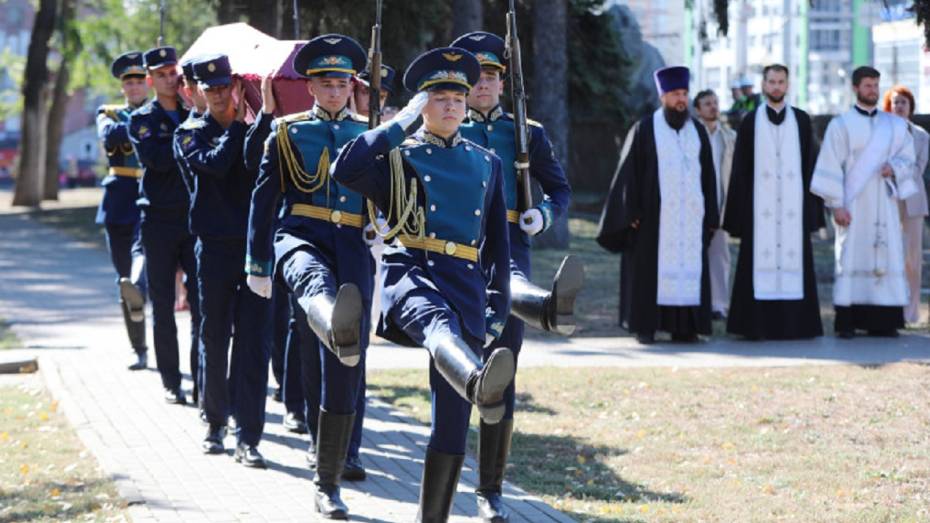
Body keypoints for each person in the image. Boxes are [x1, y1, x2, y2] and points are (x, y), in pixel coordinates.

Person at [333, 47, 516, 522]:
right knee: (438, 328)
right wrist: (398, 123)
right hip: (412, 274)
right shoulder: (398, 157)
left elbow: (498, 246)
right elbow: (345, 169)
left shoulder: (486, 163)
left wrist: (497, 308)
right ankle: (477, 377)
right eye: (439, 96)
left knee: (452, 425)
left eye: (458, 97)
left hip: (466, 285)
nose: (452, 105)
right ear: (422, 104)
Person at [451, 30, 580, 522]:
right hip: (459, 251)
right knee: (462, 362)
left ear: (503, 84)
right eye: (477, 76)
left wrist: (541, 216)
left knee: (502, 367)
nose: (484, 85)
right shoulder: (446, 126)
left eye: (492, 76)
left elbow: (559, 190)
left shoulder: (527, 131)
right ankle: (449, 463)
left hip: (510, 246)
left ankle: (490, 488)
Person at [244, 34, 372, 519]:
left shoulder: (369, 133)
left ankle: (345, 450)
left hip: (355, 249)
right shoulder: (287, 132)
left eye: (342, 83)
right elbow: (263, 200)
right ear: (312, 87)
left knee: (348, 350)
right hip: (301, 239)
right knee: (318, 324)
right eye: (325, 83)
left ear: (350, 86)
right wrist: (258, 264)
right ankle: (325, 454)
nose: (335, 91)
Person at [173, 54, 273, 467]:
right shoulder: (187, 134)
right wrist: (238, 126)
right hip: (212, 250)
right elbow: (214, 165)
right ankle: (215, 422)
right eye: (208, 88)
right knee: (214, 338)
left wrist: (263, 112)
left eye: (222, 86)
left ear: (234, 87)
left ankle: (248, 436)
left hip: (252, 251)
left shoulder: (251, 130)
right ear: (197, 90)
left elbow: (258, 161)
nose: (216, 94)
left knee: (253, 344)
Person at [596, 66, 718, 344]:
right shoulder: (645, 129)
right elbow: (628, 175)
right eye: (675, 94)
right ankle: (646, 326)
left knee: (689, 271)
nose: (681, 100)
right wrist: (632, 214)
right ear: (663, 96)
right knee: (650, 274)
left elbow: (708, 177)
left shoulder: (697, 131)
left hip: (690, 219)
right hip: (653, 220)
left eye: (685, 94)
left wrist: (711, 216)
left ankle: (685, 327)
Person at [811, 66, 918, 338]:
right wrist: (836, 205)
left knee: (886, 255)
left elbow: (909, 159)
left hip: (884, 201)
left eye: (875, 85)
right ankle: (848, 321)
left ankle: (884, 321)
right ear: (856, 88)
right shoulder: (841, 125)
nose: (873, 90)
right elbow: (830, 166)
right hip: (854, 205)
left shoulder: (894, 125)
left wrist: (893, 167)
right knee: (850, 257)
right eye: (867, 85)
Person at [723, 64, 824, 340]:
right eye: (772, 82)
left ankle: (797, 327)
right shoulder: (749, 121)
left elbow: (811, 168)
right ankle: (754, 327)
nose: (777, 86)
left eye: (781, 82)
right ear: (764, 85)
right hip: (760, 213)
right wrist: (737, 217)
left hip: (793, 211)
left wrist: (813, 213)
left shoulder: (802, 121)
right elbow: (740, 172)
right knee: (756, 264)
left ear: (788, 85)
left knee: (797, 265)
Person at [128, 46, 201, 405]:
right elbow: (157, 161)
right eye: (161, 74)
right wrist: (190, 135)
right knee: (163, 305)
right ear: (150, 80)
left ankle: (203, 379)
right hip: (157, 220)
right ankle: (172, 382)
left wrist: (193, 119)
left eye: (173, 72)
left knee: (203, 305)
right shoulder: (142, 120)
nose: (169, 79)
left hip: (194, 218)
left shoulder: (196, 111)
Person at [96, 51, 150, 371]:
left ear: (149, 83)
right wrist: (147, 121)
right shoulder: (109, 112)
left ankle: (140, 292)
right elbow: (109, 136)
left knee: (141, 272)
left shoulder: (165, 111)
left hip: (152, 197)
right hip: (119, 201)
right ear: (122, 87)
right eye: (128, 82)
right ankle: (139, 348)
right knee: (123, 279)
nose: (133, 87)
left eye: (139, 81)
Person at [883, 85, 929, 325]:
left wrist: (896, 171)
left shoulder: (922, 136)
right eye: (895, 102)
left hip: (913, 202)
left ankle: (910, 313)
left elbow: (917, 170)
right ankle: (891, 310)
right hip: (888, 200)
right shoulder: (881, 134)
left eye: (903, 102)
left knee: (912, 259)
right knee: (890, 256)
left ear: (911, 107)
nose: (899, 106)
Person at [694, 89, 735, 321]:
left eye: (715, 103)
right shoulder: (690, 134)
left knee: (719, 256)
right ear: (698, 109)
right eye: (707, 103)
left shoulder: (729, 137)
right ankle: (696, 301)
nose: (713, 107)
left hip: (721, 206)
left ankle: (718, 304)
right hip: (694, 207)